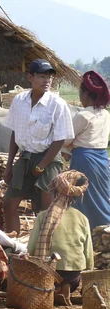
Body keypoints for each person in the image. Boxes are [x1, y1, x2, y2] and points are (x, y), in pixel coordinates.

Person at [3, 59, 75, 234]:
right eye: (42, 76)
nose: (47, 81)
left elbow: (60, 140)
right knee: (9, 204)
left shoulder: (57, 104)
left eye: (49, 77)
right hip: (26, 156)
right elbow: (15, 133)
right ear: (30, 77)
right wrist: (9, 164)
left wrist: (42, 165)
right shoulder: (19, 101)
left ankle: (44, 248)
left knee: (46, 207)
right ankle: (15, 246)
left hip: (49, 158)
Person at [27, 170, 94, 304]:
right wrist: (89, 273)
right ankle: (66, 287)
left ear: (55, 192)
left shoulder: (43, 216)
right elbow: (88, 251)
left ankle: (55, 289)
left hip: (49, 272)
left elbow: (32, 247)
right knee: (71, 277)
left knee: (43, 277)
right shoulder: (82, 218)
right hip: (74, 275)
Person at [64, 70, 110, 230]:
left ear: (85, 94)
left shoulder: (82, 115)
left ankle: (85, 230)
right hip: (102, 159)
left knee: (82, 196)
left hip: (83, 159)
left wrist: (70, 145)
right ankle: (105, 228)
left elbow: (66, 140)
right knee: (102, 195)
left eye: (80, 93)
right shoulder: (105, 114)